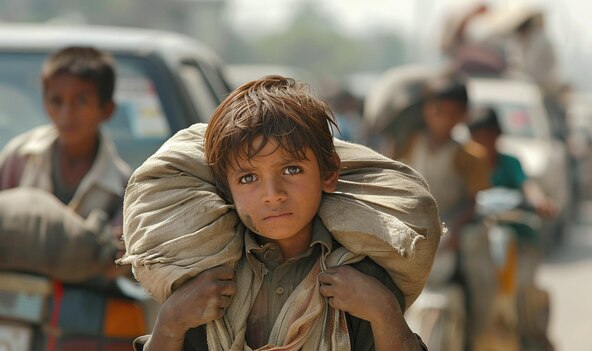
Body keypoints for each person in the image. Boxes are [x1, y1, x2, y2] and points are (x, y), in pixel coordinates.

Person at [131, 76, 429, 350]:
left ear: (329, 173)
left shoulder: (361, 277)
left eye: (292, 169)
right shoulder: (205, 276)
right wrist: (170, 322)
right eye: (248, 178)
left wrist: (384, 312)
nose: (273, 194)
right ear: (226, 190)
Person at [0, 46, 144, 349]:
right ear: (46, 104)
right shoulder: (19, 157)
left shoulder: (122, 185)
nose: (67, 113)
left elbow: (125, 262)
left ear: (106, 109)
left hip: (80, 328)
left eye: (81, 101)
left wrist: (112, 258)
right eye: (57, 101)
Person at [397, 76, 494, 351]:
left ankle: (478, 332)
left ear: (464, 115)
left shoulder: (470, 155)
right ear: (427, 111)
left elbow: (473, 200)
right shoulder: (409, 143)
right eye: (438, 112)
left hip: (450, 232)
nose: (444, 119)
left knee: (479, 279)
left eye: (453, 113)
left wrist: (455, 230)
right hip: (411, 229)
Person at [469, 107, 555, 351]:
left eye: (487, 135)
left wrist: (540, 202)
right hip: (477, 240)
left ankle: (533, 337)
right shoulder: (467, 163)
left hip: (518, 240)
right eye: (477, 136)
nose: (483, 142)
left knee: (523, 293)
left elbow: (528, 186)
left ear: (497, 135)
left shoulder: (510, 163)